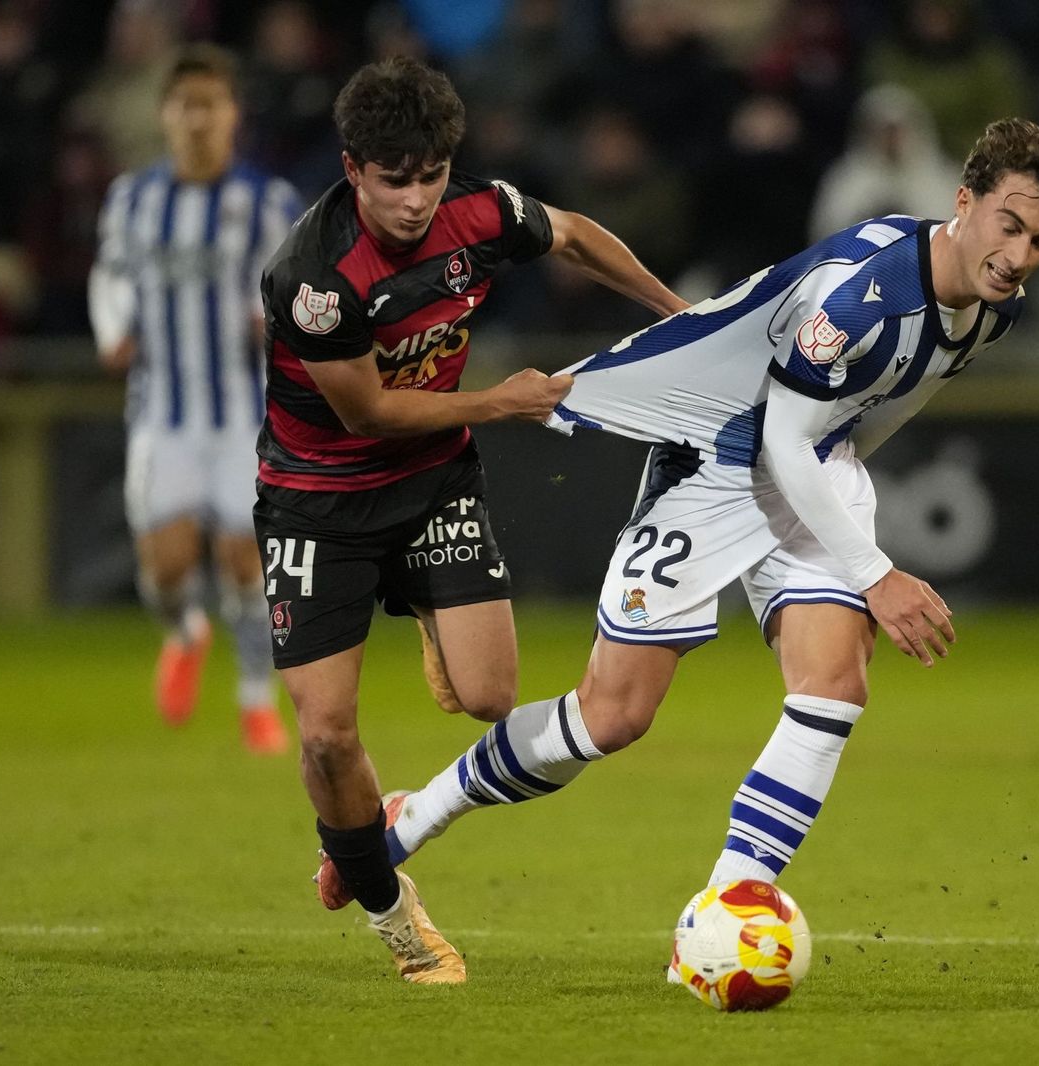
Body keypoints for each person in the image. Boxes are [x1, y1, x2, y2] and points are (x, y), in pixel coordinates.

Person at [366, 118, 1039, 976]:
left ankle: (723, 916)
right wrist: (876, 574)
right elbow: (780, 439)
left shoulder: (991, 311)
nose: (1018, 256)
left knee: (834, 685)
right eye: (1009, 226)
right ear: (964, 202)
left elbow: (885, 403)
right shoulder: (861, 295)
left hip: (814, 461)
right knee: (612, 717)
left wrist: (846, 494)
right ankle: (414, 817)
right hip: (715, 464)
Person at [258, 55, 685, 985]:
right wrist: (500, 402)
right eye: (394, 180)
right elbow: (366, 413)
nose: (416, 200)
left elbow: (573, 235)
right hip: (318, 503)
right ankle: (394, 914)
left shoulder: (480, 213)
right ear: (352, 168)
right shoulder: (314, 279)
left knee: (491, 696)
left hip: (432, 482)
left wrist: (677, 312)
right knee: (326, 735)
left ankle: (421, 622)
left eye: (432, 176)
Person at [88, 45, 302, 753]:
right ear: (166, 115)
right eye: (186, 106)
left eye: (211, 104)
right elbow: (110, 275)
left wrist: (273, 321)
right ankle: (185, 631)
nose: (199, 119)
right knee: (166, 567)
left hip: (244, 413)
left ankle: (255, 701)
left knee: (245, 559)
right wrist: (114, 329)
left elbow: (296, 286)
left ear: (233, 114)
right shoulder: (133, 199)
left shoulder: (268, 202)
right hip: (162, 411)